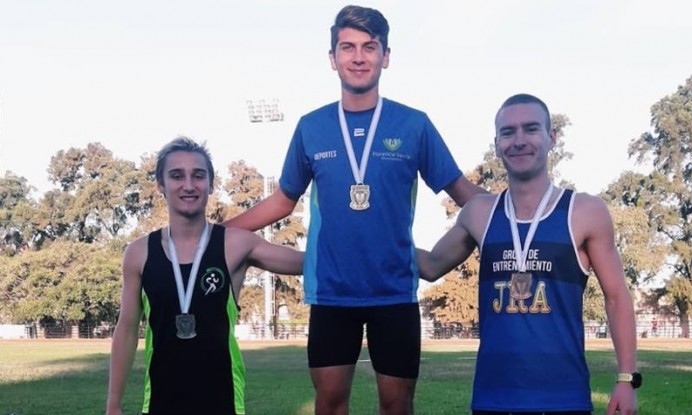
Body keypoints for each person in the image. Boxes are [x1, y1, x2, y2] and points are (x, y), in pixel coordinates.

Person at [222, 5, 483, 414]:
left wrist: (516, 218)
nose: (358, 57)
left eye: (369, 47)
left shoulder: (413, 125)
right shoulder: (312, 126)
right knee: (329, 404)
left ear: (386, 56)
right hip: (332, 294)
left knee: (397, 406)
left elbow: (462, 190)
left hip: (393, 291)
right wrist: (217, 233)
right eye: (347, 47)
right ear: (332, 58)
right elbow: (282, 201)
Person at [416, 94, 640, 415]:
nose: (519, 140)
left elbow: (617, 297)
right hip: (492, 400)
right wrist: (378, 237)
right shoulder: (479, 213)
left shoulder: (585, 211)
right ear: (496, 144)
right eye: (508, 133)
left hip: (564, 400)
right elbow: (430, 266)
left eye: (530, 129)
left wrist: (626, 379)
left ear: (551, 138)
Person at [106, 136, 303, 415]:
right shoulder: (139, 253)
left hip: (223, 400)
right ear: (160, 185)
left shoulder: (236, 244)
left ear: (211, 184)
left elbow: (307, 264)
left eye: (198, 176)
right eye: (176, 176)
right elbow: (126, 329)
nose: (188, 185)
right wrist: (113, 403)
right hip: (161, 401)